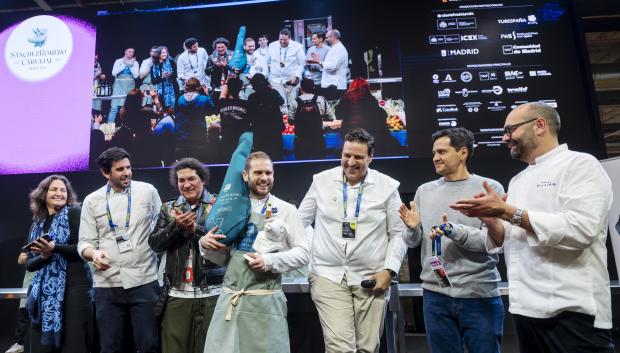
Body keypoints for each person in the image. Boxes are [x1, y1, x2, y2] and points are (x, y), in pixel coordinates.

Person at [450, 102, 615, 353]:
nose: (506, 138)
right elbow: (513, 236)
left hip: (573, 311)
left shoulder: (580, 165)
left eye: (510, 130)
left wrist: (507, 212)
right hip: (525, 310)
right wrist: (492, 220)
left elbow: (582, 229)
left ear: (540, 125)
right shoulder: (518, 179)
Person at [298, 128, 407, 353]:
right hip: (328, 275)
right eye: (346, 155)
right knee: (340, 348)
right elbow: (300, 222)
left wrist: (390, 270)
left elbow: (398, 233)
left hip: (371, 276)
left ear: (370, 157)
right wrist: (313, 247)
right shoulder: (321, 181)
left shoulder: (387, 187)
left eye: (358, 157)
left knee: (368, 348)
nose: (350, 162)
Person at [399, 127, 504, 353]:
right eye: (434, 152)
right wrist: (412, 228)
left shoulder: (489, 188)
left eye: (442, 152)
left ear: (463, 153)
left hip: (478, 293)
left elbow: (495, 243)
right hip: (435, 295)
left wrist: (454, 230)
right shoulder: (424, 191)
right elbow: (414, 241)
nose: (435, 157)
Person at [199, 151, 309, 353]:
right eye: (258, 172)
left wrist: (269, 260)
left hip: (266, 302)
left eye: (269, 172)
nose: (264, 178)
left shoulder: (286, 210)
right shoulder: (230, 209)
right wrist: (205, 244)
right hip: (232, 299)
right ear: (245, 175)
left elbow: (303, 253)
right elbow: (226, 258)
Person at [78, 147, 162, 353]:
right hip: (107, 283)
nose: (127, 173)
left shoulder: (148, 191)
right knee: (110, 347)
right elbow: (84, 243)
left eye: (128, 167)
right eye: (120, 169)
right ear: (106, 173)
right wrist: (94, 254)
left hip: (144, 278)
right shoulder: (92, 201)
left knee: (148, 344)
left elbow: (162, 228)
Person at [149, 158, 225, 353]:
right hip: (176, 292)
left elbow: (224, 241)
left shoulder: (219, 204)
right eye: (181, 180)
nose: (186, 184)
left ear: (203, 179)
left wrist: (195, 230)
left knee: (210, 348)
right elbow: (155, 243)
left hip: (212, 291)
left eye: (191, 178)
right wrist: (176, 226)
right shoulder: (168, 208)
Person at [25, 175, 94, 353]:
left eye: (63, 190)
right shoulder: (37, 224)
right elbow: (30, 264)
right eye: (54, 189)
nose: (59, 193)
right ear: (44, 193)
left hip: (76, 288)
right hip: (44, 293)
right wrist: (45, 256)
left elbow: (83, 248)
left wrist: (54, 248)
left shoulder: (74, 212)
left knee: (74, 345)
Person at [333, 78, 401, 156]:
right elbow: (382, 115)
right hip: (366, 133)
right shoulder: (369, 98)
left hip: (348, 133)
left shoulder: (346, 98)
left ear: (351, 87)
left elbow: (338, 114)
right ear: (366, 87)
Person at [287, 78, 334, 159]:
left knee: (301, 166)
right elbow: (331, 117)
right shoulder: (321, 99)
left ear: (301, 88)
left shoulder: (295, 101)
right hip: (318, 139)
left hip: (301, 141)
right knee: (319, 166)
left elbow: (290, 121)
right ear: (313, 88)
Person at [174, 78, 216, 161]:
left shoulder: (180, 99)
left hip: (182, 138)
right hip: (199, 136)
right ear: (198, 87)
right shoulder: (203, 99)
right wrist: (207, 94)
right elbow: (213, 111)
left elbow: (176, 114)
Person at [247, 74, 285, 160]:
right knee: (276, 156)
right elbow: (281, 102)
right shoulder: (273, 93)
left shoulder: (252, 97)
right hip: (273, 130)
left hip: (260, 132)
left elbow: (249, 114)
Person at [267, 28, 305, 111]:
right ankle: (283, 123)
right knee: (281, 105)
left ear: (290, 38)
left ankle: (292, 123)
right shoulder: (272, 46)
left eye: (285, 40)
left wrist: (297, 75)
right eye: (281, 39)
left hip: (291, 81)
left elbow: (302, 63)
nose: (282, 42)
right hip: (276, 80)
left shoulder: (297, 47)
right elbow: (266, 61)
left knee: (292, 106)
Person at [5, 251, 34, 353]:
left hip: (52, 277)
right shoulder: (32, 235)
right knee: (24, 312)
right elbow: (20, 260)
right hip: (31, 278)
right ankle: (19, 343)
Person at [218, 77, 250, 161]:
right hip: (242, 142)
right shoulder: (246, 104)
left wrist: (226, 85)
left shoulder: (222, 103)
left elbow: (222, 94)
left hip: (226, 141)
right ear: (240, 88)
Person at [109, 48, 139, 124]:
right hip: (118, 86)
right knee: (114, 108)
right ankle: (109, 129)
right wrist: (124, 64)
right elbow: (113, 73)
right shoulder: (118, 61)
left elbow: (136, 76)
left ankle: (127, 128)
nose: (131, 53)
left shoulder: (135, 63)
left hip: (129, 87)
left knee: (128, 108)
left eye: (133, 52)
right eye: (129, 51)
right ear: (125, 51)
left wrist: (131, 65)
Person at [318, 29, 349, 101]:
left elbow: (333, 67)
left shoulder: (339, 49)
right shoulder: (334, 48)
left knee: (334, 110)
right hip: (330, 85)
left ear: (333, 37)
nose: (325, 40)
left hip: (335, 86)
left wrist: (319, 62)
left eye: (327, 37)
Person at [151, 46, 179, 111]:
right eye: (162, 53)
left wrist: (170, 74)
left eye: (165, 52)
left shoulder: (171, 62)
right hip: (160, 92)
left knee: (173, 110)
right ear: (158, 54)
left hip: (173, 89)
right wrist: (162, 77)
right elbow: (153, 81)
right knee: (162, 110)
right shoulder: (153, 67)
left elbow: (176, 75)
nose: (165, 54)